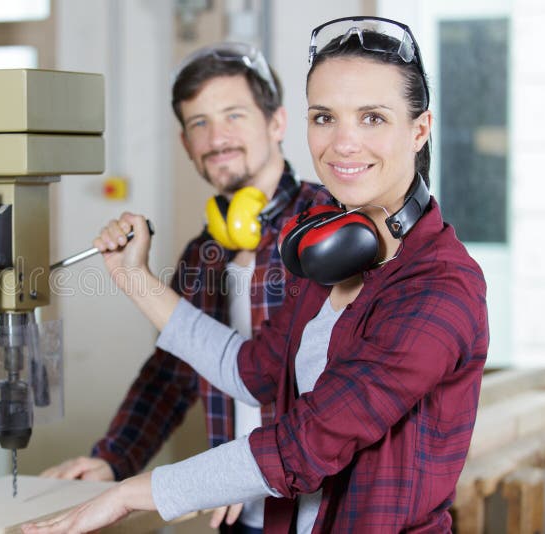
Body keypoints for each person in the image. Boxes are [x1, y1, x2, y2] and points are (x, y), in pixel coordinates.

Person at [24, 16, 489, 534]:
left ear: (420, 129)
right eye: (325, 117)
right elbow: (250, 371)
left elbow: (310, 442)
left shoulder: (440, 287)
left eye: (373, 118)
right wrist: (133, 276)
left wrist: (137, 493)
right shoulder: (323, 254)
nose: (343, 143)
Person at [40, 43, 328, 532]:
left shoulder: (325, 233)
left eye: (233, 115)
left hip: (319, 515)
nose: (217, 138)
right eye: (199, 123)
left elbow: (290, 379)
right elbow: (172, 373)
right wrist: (114, 459)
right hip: (235, 513)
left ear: (277, 123)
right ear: (185, 142)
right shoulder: (204, 253)